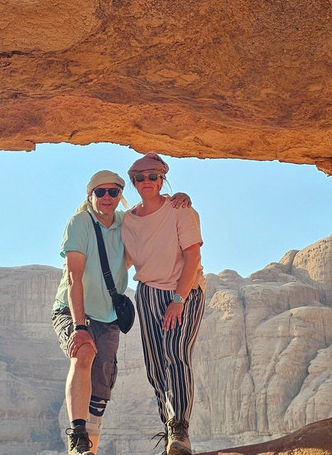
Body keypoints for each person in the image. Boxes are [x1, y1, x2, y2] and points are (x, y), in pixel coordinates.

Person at [52, 170, 192, 455]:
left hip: (108, 316)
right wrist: (80, 326)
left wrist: (177, 199)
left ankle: (88, 450)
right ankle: (78, 436)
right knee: (84, 353)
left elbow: (154, 223)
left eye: (113, 192)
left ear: (120, 195)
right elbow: (72, 278)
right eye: (100, 192)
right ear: (90, 196)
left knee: (101, 388)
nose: (106, 198)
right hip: (74, 308)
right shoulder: (79, 223)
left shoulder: (126, 221)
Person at [121, 153, 205, 455]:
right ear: (133, 182)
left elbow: (193, 257)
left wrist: (178, 300)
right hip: (147, 294)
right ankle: (171, 435)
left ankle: (180, 430)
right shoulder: (128, 220)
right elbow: (124, 259)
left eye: (152, 177)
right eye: (140, 178)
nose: (147, 183)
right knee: (156, 367)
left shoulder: (180, 210)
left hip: (183, 291)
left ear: (162, 179)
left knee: (176, 352)